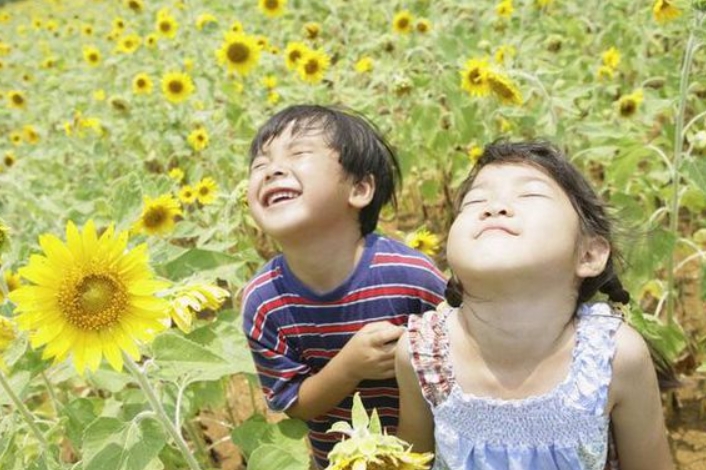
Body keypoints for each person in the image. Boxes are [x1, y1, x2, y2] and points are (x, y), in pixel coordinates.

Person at [395, 140, 674, 470]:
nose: (494, 208)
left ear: (589, 254)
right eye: (474, 202)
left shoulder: (615, 357)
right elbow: (410, 463)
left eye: (529, 196)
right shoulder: (423, 355)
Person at [241, 104, 447, 468]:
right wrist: (349, 366)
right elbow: (295, 404)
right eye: (259, 165)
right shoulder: (263, 301)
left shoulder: (411, 276)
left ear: (360, 188)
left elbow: (463, 356)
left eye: (299, 153)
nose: (271, 169)